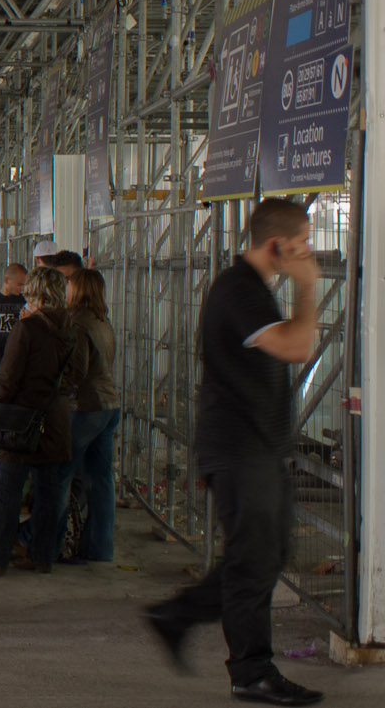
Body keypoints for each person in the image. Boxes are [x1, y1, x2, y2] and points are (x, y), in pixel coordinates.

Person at [145, 199, 324, 706]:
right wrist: (309, 287)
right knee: (253, 562)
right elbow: (298, 346)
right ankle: (251, 669)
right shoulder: (240, 290)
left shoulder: (251, 290)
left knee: (266, 555)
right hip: (240, 449)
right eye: (302, 244)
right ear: (277, 246)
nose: (308, 252)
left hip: (255, 447)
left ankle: (176, 616)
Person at [0, 266, 85, 577]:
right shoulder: (72, 329)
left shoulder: (27, 329)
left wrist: (3, 401)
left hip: (22, 419)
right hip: (55, 419)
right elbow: (78, 375)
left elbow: (9, 378)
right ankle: (42, 556)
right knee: (49, 493)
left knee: (9, 491)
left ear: (34, 293)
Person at [63, 269, 119, 563]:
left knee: (60, 474)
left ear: (79, 289)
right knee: (101, 482)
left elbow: (77, 371)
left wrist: (57, 394)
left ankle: (45, 540)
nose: (66, 289)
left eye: (69, 285)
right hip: (109, 405)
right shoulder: (103, 321)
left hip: (86, 407)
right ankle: (100, 549)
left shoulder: (77, 322)